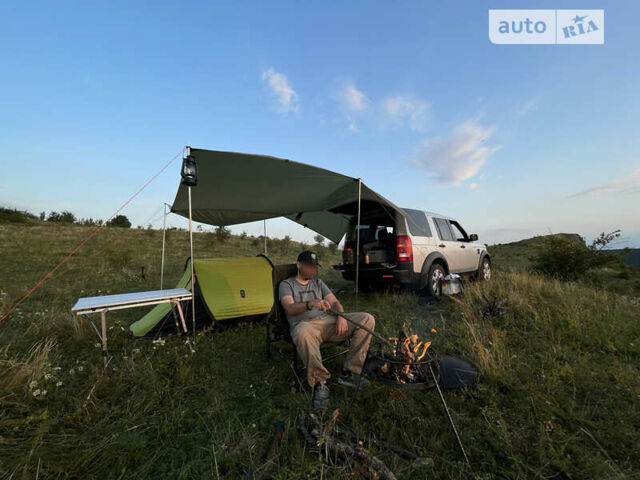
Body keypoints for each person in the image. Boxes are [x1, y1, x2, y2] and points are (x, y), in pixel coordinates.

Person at [279, 250, 376, 408]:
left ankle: (350, 372)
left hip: (327, 323)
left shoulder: (318, 282)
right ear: (299, 265)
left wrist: (342, 316)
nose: (312, 270)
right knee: (303, 332)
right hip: (305, 326)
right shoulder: (287, 284)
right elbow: (289, 308)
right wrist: (310, 303)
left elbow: (335, 302)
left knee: (367, 319)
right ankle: (320, 382)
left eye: (314, 267)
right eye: (309, 266)